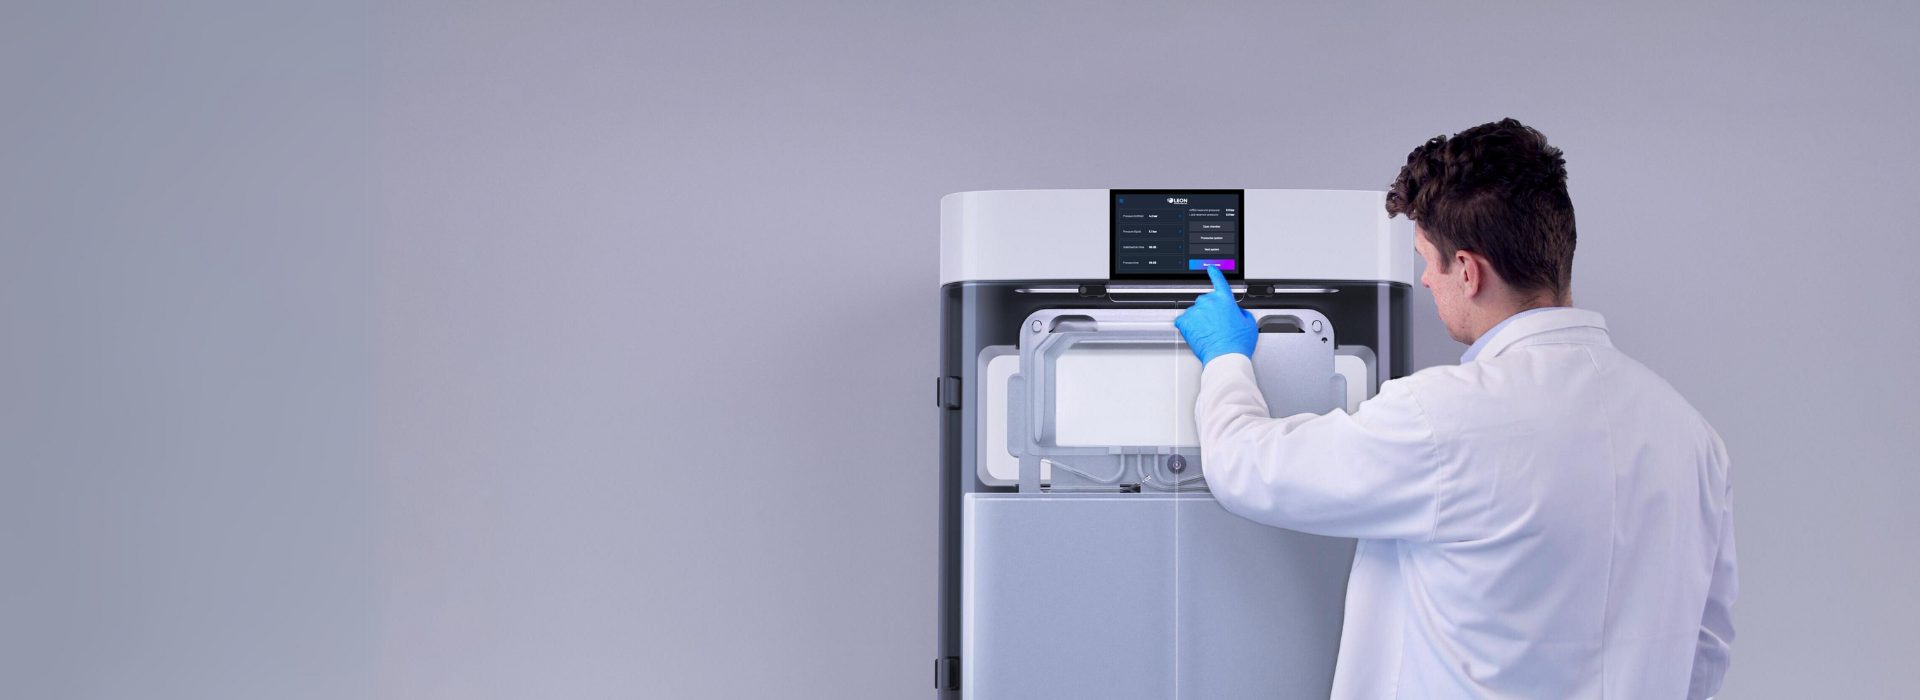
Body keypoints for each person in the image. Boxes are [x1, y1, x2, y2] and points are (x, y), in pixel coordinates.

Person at [1174, 119, 1735, 699]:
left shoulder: (1441, 418)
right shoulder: (1692, 438)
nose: (1422, 278)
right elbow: (1707, 648)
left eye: (1428, 260)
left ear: (1467, 271)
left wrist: (1225, 360)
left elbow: (1246, 466)